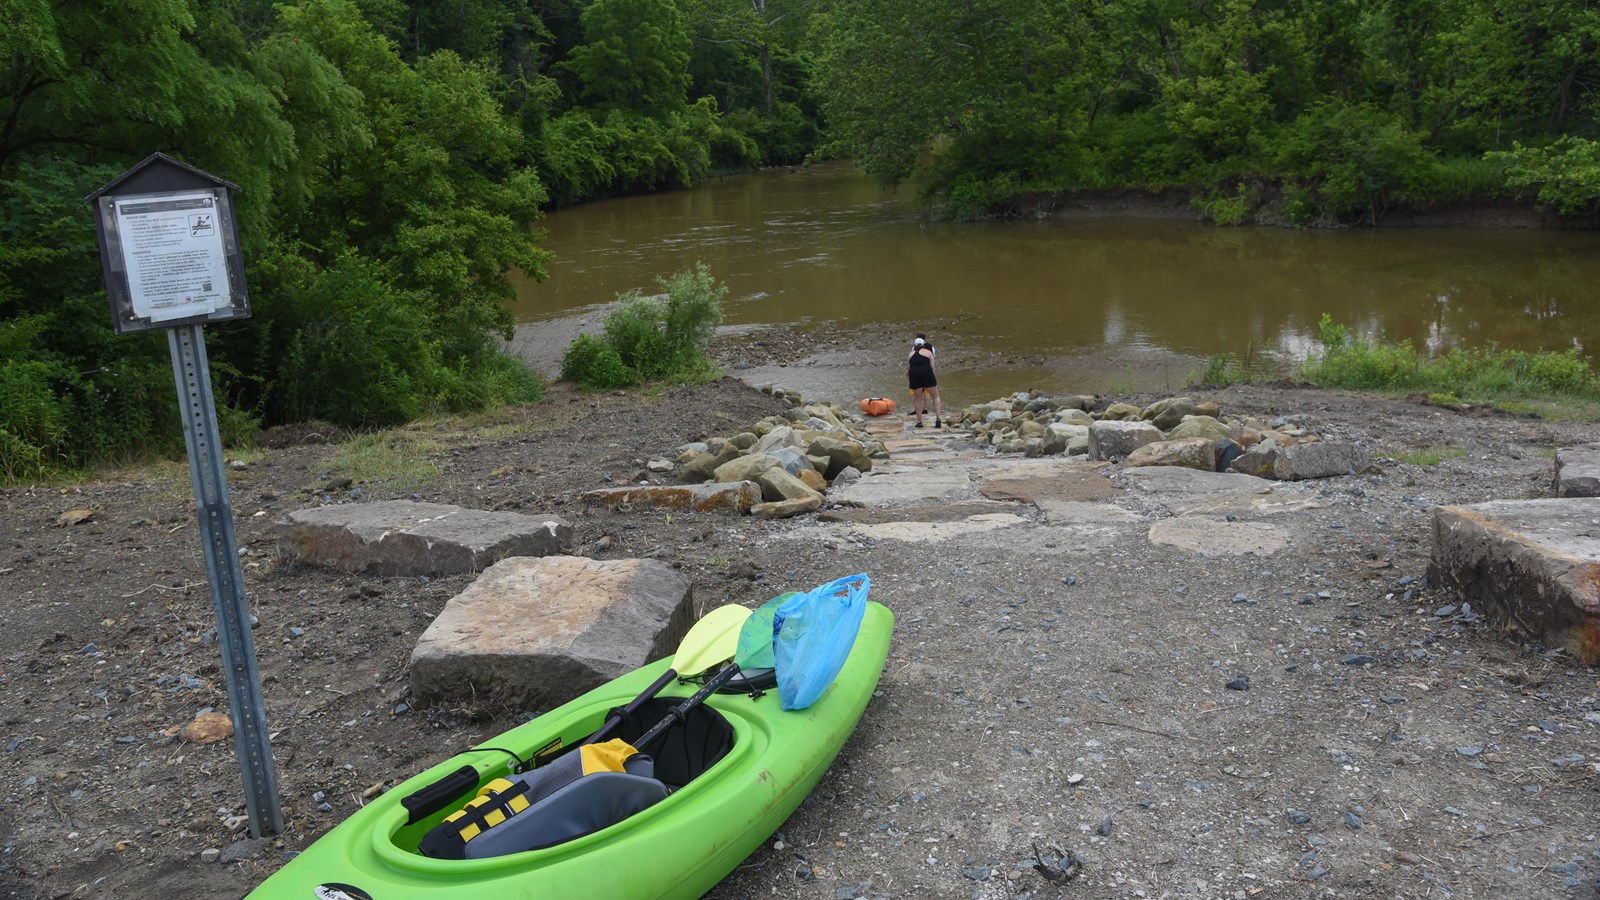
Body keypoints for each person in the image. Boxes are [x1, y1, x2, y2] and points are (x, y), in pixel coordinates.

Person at [906, 333, 943, 428]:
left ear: (914, 346)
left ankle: (920, 422)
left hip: (914, 375)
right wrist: (933, 379)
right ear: (923, 345)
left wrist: (909, 378)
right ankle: (938, 418)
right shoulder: (928, 352)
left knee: (917, 399)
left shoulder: (910, 354)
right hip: (927, 373)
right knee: (935, 396)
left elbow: (909, 367)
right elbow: (932, 367)